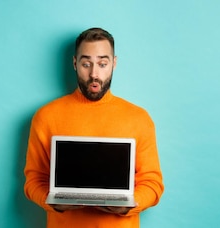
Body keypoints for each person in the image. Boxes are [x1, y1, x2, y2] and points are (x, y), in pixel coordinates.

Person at [24, 27, 164, 227]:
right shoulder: (46, 116)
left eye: (102, 63)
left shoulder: (139, 118)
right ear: (75, 63)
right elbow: (33, 180)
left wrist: (130, 205)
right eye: (86, 63)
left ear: (114, 64)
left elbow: (153, 183)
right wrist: (53, 201)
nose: (94, 74)